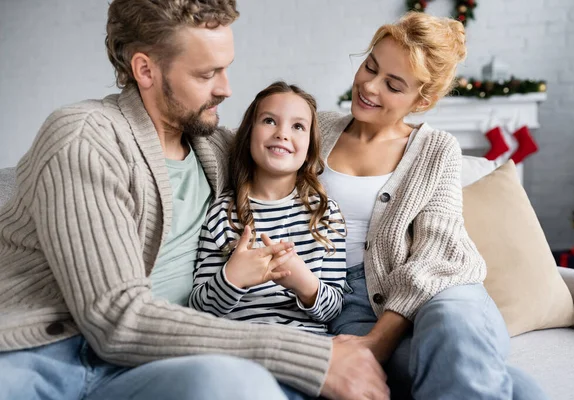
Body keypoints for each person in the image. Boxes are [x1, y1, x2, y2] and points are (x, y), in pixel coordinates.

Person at [0, 1, 390, 400]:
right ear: (145, 70)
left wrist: (406, 130)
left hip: (150, 364)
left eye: (226, 68)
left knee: (239, 385)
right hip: (50, 353)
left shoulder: (215, 146)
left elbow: (296, 130)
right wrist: (312, 356)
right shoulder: (86, 138)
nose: (226, 88)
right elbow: (114, 319)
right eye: (207, 74)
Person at [318, 12, 549, 400]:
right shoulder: (316, 128)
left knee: (452, 326)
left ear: (420, 100)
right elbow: (242, 143)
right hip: (350, 302)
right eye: (369, 67)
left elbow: (436, 253)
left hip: (443, 286)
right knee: (499, 384)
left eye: (392, 84)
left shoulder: (437, 149)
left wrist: (379, 340)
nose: (369, 87)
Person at [189, 81, 346, 335]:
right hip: (236, 345)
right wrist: (233, 278)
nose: (282, 134)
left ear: (310, 148)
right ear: (249, 134)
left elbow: (334, 308)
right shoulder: (221, 214)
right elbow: (198, 308)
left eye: (298, 126)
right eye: (269, 121)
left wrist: (304, 284)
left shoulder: (326, 215)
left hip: (304, 347)